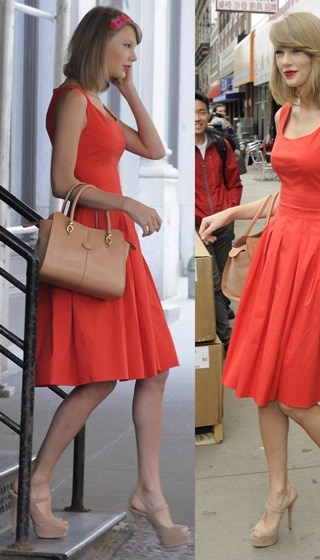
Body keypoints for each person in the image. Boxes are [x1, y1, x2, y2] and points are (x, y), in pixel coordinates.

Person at [10, 6, 189, 548]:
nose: (132, 57)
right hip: (94, 241)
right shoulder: (71, 100)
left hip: (118, 242)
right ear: (100, 45)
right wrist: (126, 201)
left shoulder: (102, 107)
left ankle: (149, 491)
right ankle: (37, 483)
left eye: (136, 49)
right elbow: (62, 180)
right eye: (127, 47)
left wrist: (129, 90)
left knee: (154, 368)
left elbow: (155, 148)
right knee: (99, 376)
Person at [199, 11, 320, 548]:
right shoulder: (283, 115)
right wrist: (233, 214)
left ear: (318, 54)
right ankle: (278, 493)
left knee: (297, 393)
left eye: (296, 51)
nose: (286, 61)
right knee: (264, 388)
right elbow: (290, 191)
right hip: (279, 252)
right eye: (280, 53)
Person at [196, 91, 243, 345]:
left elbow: (234, 183)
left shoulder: (221, 145)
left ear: (208, 114)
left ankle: (221, 317)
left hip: (223, 224)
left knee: (225, 279)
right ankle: (226, 339)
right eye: (191, 113)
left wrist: (229, 212)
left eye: (201, 112)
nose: (197, 118)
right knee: (212, 282)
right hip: (198, 228)